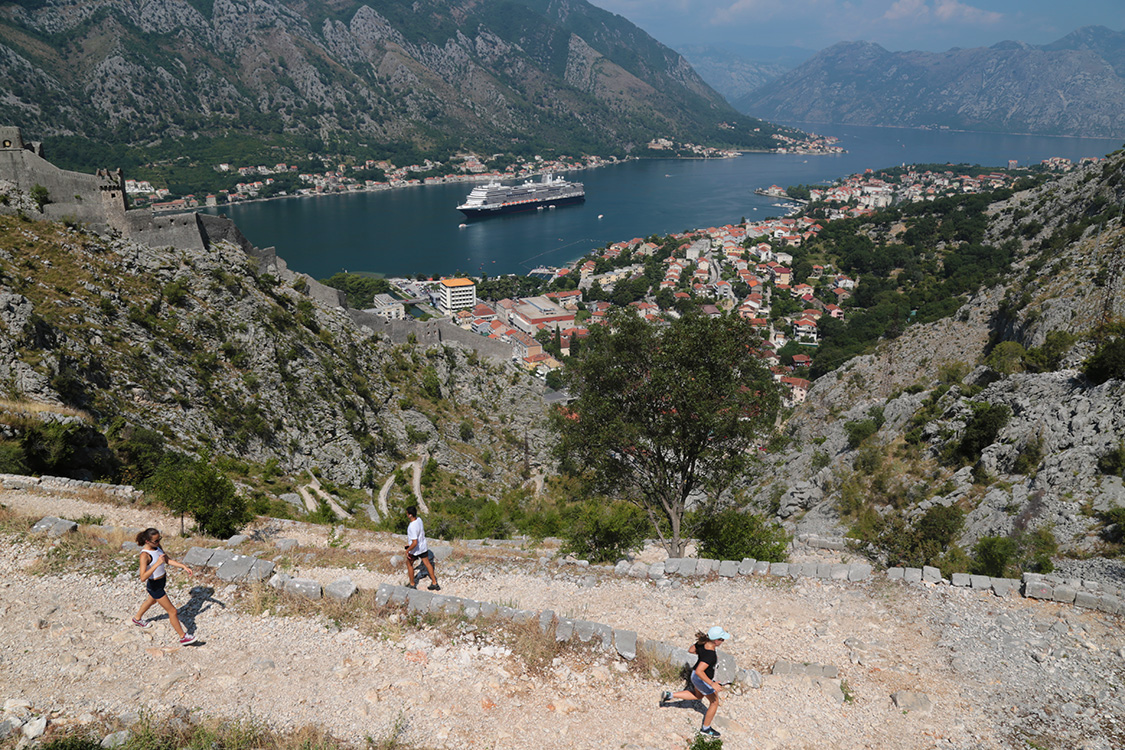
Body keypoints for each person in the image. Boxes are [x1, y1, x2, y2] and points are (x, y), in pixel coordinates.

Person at [659, 625, 731, 738]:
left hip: (694, 677)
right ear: (716, 640)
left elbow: (691, 650)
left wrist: (702, 656)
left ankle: (670, 695)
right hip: (702, 679)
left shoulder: (702, 643)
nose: (723, 641)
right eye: (722, 639)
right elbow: (699, 671)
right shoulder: (710, 655)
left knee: (697, 696)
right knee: (714, 702)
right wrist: (712, 684)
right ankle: (706, 729)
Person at [131, 528, 197, 645]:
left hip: (162, 581)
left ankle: (137, 619)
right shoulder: (145, 556)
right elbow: (143, 577)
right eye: (155, 541)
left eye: (159, 539)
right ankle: (183, 637)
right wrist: (157, 564)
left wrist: (183, 566)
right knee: (172, 611)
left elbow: (167, 560)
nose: (158, 542)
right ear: (147, 541)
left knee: (151, 601)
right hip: (155, 585)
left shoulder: (157, 547)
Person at [404, 505, 439, 591]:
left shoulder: (411, 526)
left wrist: (408, 550)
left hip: (415, 550)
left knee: (409, 564)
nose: (406, 514)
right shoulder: (419, 520)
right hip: (423, 547)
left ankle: (412, 584)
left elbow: (415, 542)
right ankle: (434, 583)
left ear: (410, 515)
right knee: (427, 563)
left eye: (407, 513)